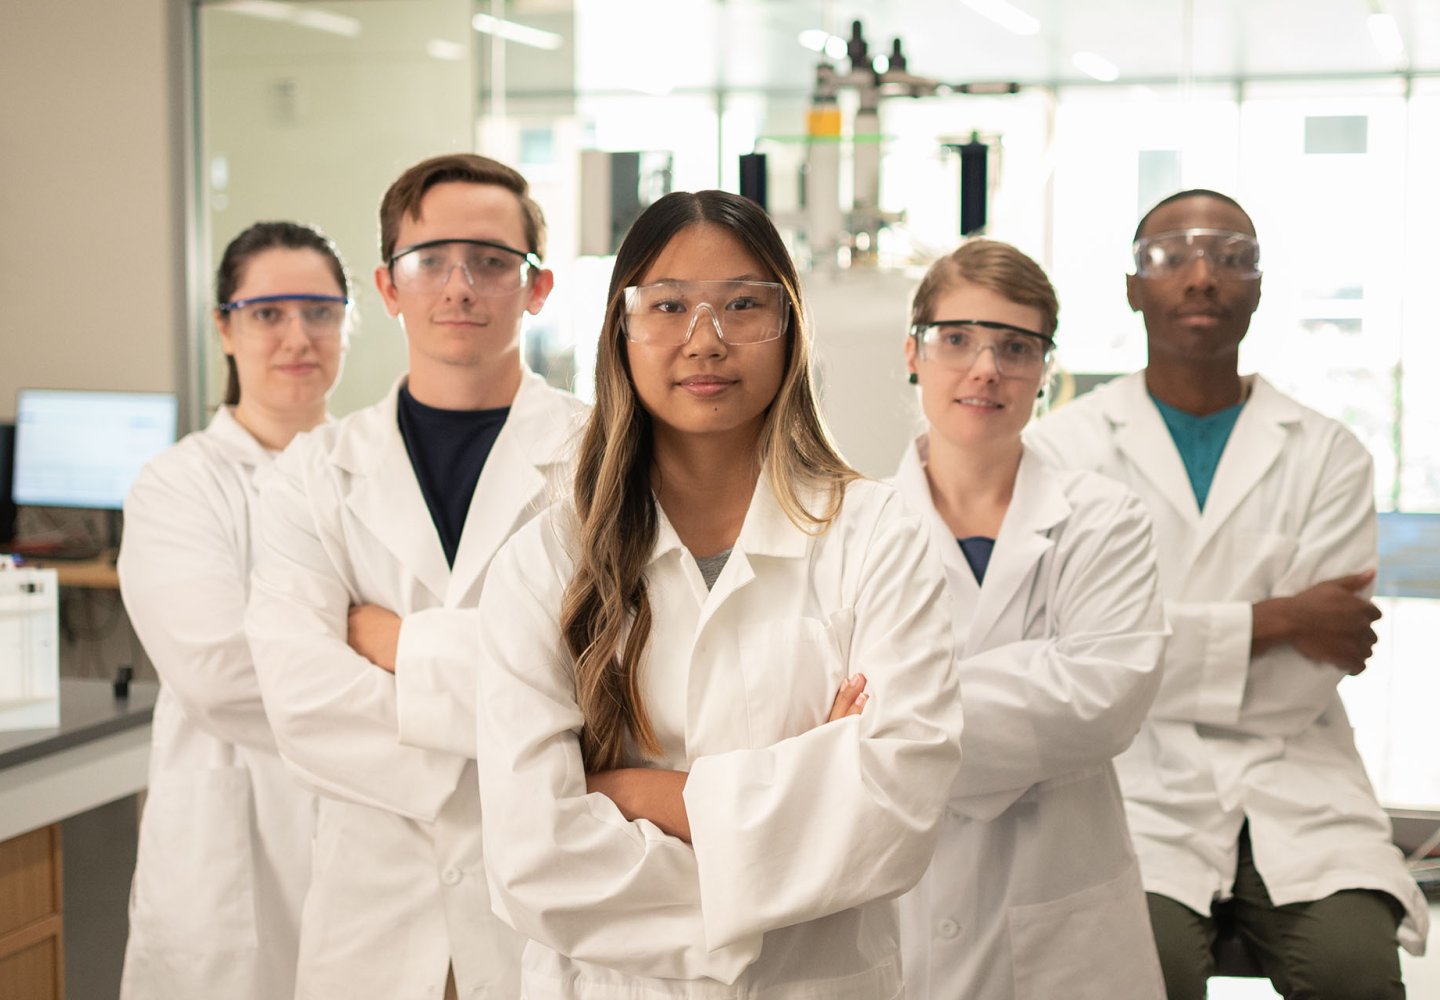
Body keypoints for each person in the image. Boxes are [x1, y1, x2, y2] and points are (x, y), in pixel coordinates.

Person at [471, 189, 963, 999]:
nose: (707, 340)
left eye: (743, 305)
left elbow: (896, 813)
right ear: (620, 331)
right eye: (667, 306)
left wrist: (633, 794)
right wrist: (807, 787)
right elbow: (532, 859)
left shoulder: (875, 535)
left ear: (790, 328)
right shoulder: (544, 560)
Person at [1027, 189, 1429, 999]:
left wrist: (1135, 656)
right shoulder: (1060, 449)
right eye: (1172, 256)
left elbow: (1301, 685)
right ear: (1133, 287)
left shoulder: (1329, 452)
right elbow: (1065, 663)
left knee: (1356, 973)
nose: (1203, 276)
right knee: (1143, 973)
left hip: (1296, 776)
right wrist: (1280, 618)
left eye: (1232, 257)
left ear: (1259, 285)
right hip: (1128, 784)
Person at [245, 153, 586, 1000]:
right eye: (429, 260)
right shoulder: (312, 474)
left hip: (546, 917)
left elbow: (610, 677)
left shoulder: (605, 463)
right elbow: (303, 703)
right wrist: (522, 733)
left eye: (492, 261)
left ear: (537, 288)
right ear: (388, 288)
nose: (459, 286)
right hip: (373, 920)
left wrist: (393, 643)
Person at [891, 239, 1168, 1000]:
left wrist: (892, 718)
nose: (986, 367)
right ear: (913, 353)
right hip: (897, 910)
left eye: (1015, 347)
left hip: (1062, 918)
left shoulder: (1103, 520)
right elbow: (812, 707)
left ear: (1045, 372)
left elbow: (1099, 702)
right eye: (958, 339)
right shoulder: (850, 527)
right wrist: (1027, 685)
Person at [118, 221, 350, 999]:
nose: (298, 337)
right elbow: (218, 673)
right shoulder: (179, 485)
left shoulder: (379, 476)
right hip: (230, 846)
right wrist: (390, 672)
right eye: (268, 313)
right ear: (224, 326)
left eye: (320, 310)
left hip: (370, 842)